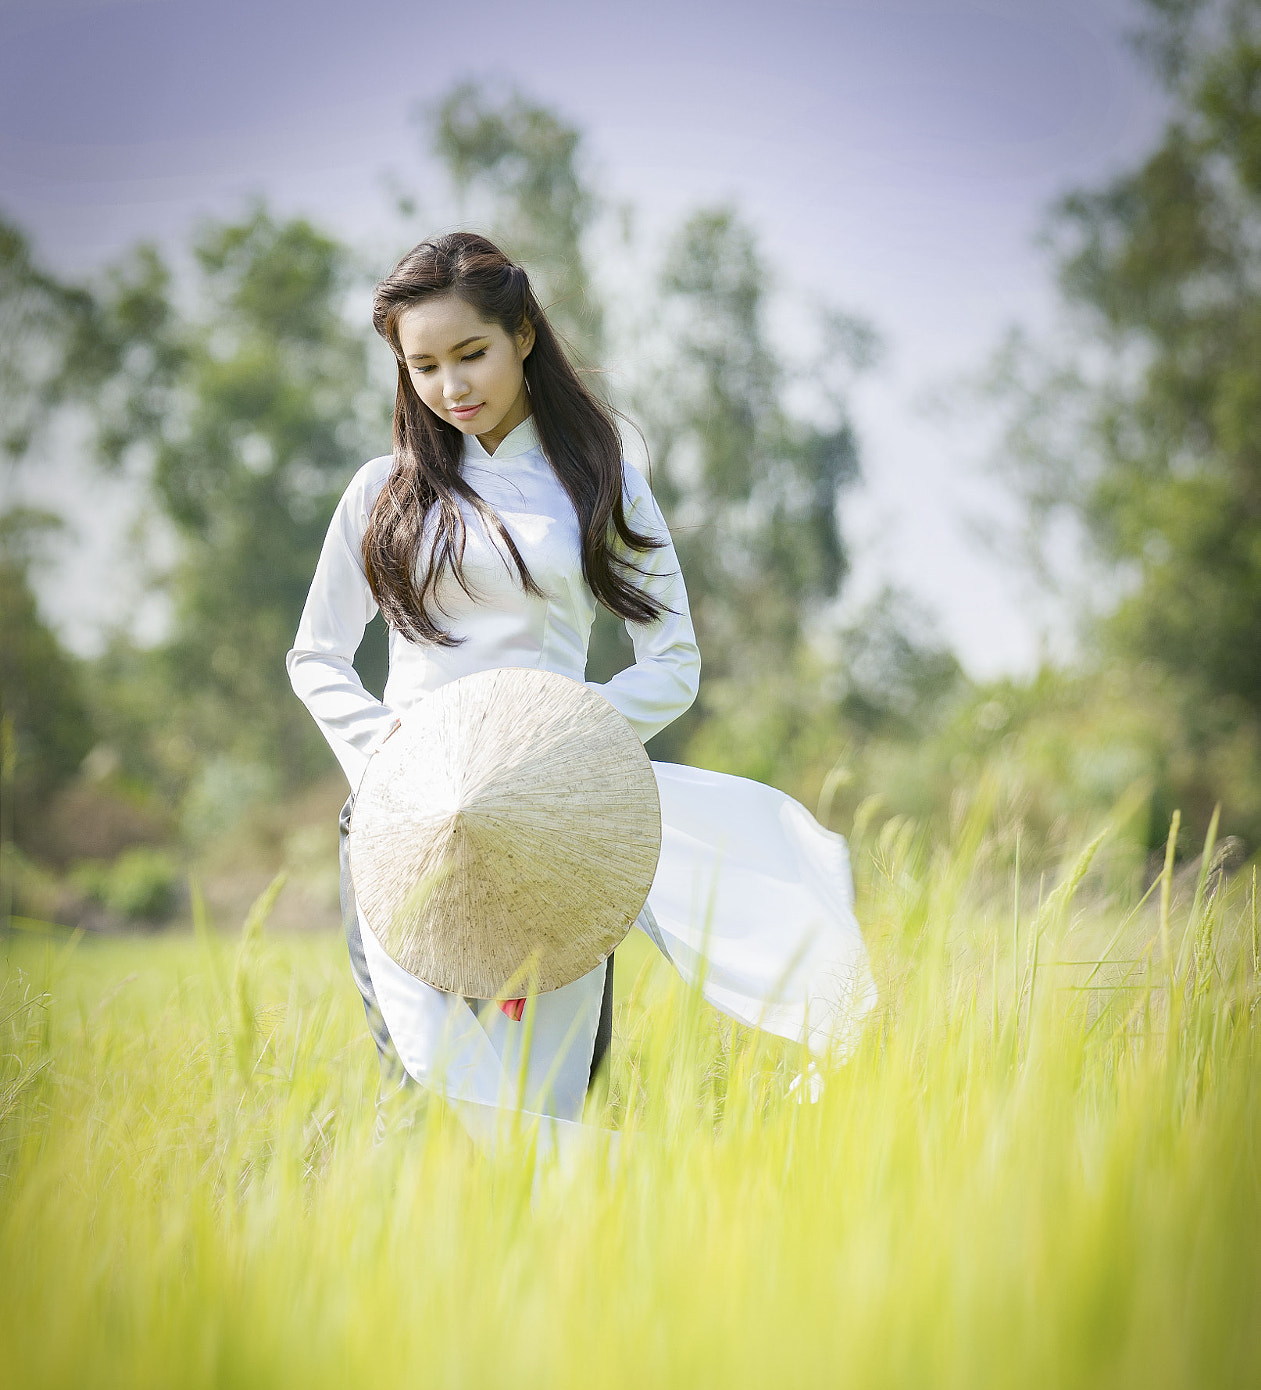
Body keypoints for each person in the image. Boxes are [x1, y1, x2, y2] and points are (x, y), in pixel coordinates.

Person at [287, 232, 875, 1150]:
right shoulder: (384, 493)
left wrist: (558, 751)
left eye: (471, 353)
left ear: (522, 334)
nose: (452, 387)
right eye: (425, 365)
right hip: (404, 828)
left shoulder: (600, 484)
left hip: (556, 831)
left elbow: (671, 663)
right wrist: (390, 757)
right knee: (427, 1099)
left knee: (542, 1101)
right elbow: (315, 656)